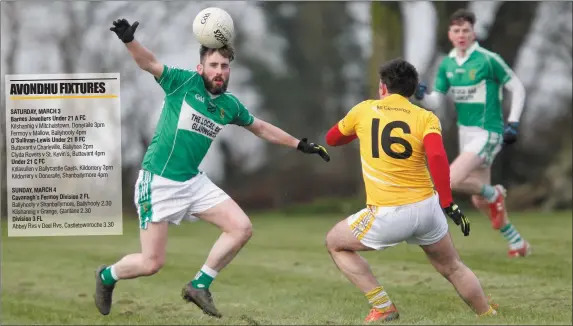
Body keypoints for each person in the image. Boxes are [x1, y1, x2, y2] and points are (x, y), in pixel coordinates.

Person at [94, 18, 330, 318]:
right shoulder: (182, 83)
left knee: (241, 227)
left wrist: (298, 144)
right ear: (200, 68)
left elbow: (259, 127)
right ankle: (106, 276)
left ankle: (199, 285)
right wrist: (129, 41)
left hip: (193, 182)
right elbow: (149, 62)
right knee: (151, 264)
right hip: (158, 182)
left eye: (224, 67)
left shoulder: (229, 105)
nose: (219, 71)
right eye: (214, 65)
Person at [324, 58, 498, 323]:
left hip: (389, 213)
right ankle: (487, 312)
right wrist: (449, 204)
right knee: (452, 266)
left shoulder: (364, 110)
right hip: (428, 209)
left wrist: (359, 130)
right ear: (412, 90)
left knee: (335, 243)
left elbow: (332, 139)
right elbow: (438, 158)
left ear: (383, 87)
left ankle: (383, 307)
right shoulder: (425, 117)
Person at [414, 9, 530, 257]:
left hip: (488, 132)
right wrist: (422, 95)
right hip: (466, 134)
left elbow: (517, 89)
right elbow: (436, 100)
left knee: (449, 179)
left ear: (473, 32)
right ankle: (517, 242)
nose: (461, 35)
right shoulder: (447, 64)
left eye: (466, 30)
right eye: (456, 30)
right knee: (479, 199)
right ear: (450, 34)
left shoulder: (489, 60)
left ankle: (495, 193)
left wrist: (513, 122)